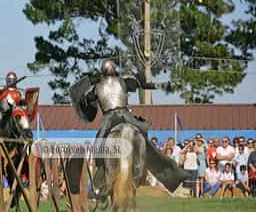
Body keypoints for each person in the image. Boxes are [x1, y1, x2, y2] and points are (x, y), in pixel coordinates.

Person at [70, 60, 188, 200]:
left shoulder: (96, 88)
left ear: (103, 72)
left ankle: (98, 188)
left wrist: (81, 100)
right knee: (147, 146)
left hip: (109, 120)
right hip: (127, 118)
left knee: (99, 151)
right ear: (115, 70)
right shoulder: (123, 82)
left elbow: (86, 103)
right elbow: (139, 81)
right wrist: (148, 83)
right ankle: (173, 175)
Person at [0, 71, 33, 139]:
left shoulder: (21, 92)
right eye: (9, 80)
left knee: (23, 117)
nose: (11, 82)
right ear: (7, 80)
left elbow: (26, 103)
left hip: (15, 113)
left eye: (13, 80)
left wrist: (21, 102)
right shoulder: (0, 88)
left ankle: (27, 133)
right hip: (2, 114)